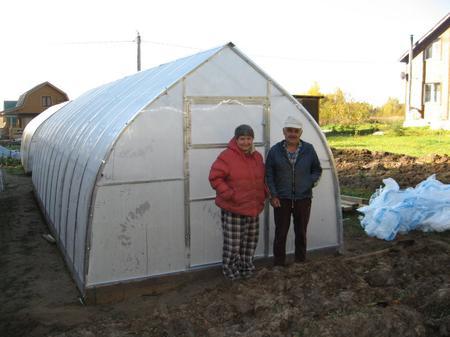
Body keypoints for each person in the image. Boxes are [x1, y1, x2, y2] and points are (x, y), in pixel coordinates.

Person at [209, 125, 267, 280]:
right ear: (236, 139)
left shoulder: (257, 157)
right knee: (233, 244)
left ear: (252, 139)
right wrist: (228, 194)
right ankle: (231, 272)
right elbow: (215, 177)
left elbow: (262, 178)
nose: (245, 142)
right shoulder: (227, 156)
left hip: (253, 207)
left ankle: (246, 268)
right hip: (234, 208)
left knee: (249, 242)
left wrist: (265, 193)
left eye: (249, 138)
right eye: (242, 138)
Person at [265, 116, 322, 266]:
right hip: (281, 198)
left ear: (300, 133)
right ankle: (278, 264)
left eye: (296, 131)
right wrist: (273, 195)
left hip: (303, 198)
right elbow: (269, 174)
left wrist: (309, 182)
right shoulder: (275, 151)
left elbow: (317, 169)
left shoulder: (309, 149)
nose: (292, 134)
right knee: (281, 233)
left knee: (301, 232)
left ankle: (300, 262)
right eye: (289, 130)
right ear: (284, 132)